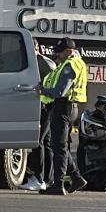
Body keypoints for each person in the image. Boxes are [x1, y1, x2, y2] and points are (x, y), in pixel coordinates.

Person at [38, 37, 89, 196]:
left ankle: (58, 184)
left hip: (63, 107)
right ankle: (76, 178)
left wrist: (43, 91)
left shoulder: (70, 65)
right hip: (70, 107)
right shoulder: (74, 63)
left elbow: (60, 91)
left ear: (69, 51)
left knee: (58, 148)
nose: (57, 55)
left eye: (59, 52)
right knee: (61, 146)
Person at [21, 39, 56, 192]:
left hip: (47, 106)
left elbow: (52, 85)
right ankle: (47, 179)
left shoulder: (44, 63)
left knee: (39, 141)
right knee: (46, 143)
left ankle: (39, 178)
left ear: (37, 48)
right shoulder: (35, 62)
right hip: (44, 105)